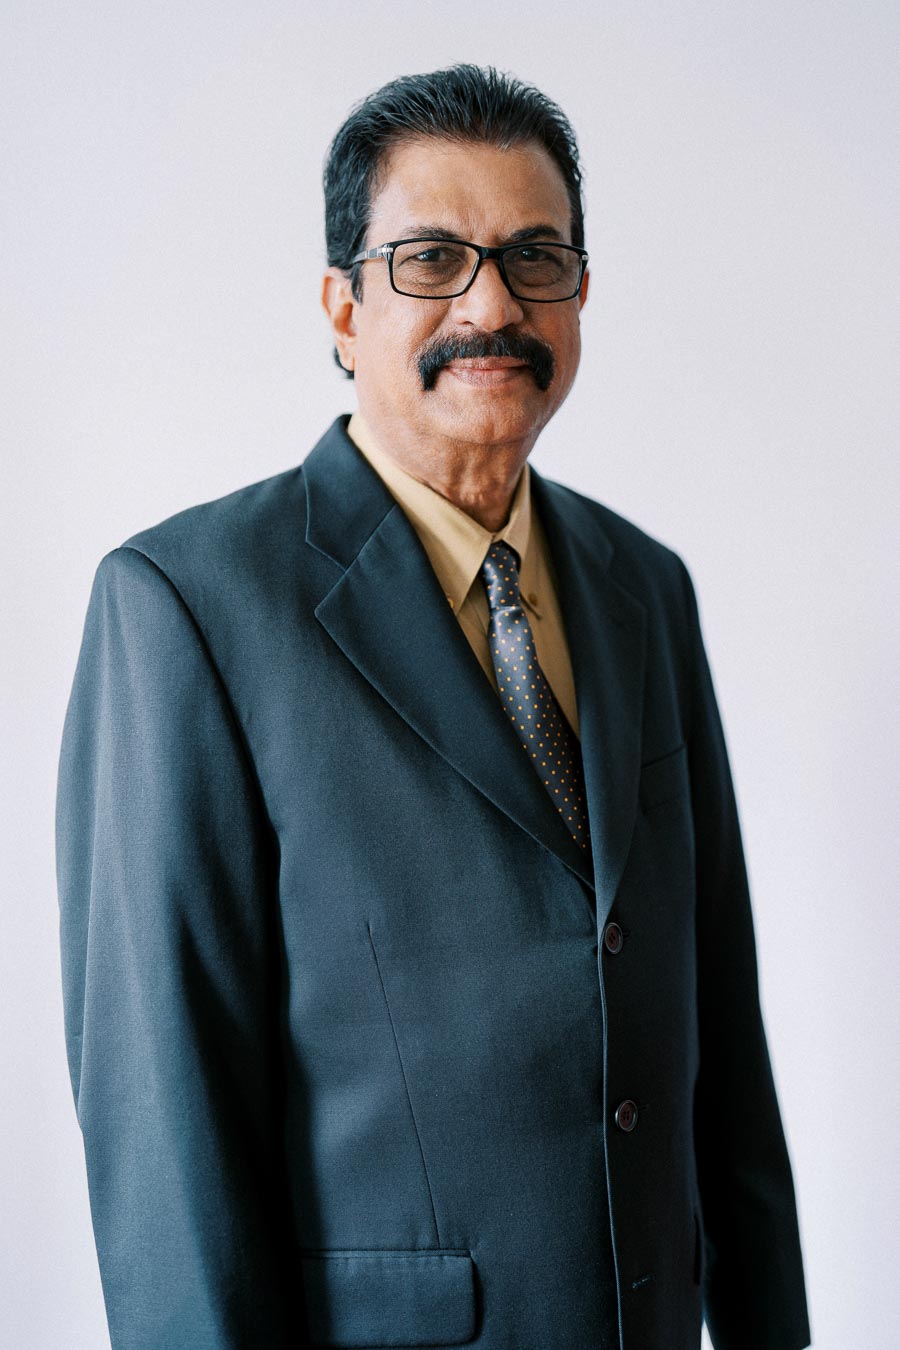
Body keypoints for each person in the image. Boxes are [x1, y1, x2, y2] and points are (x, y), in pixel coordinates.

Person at [56, 64, 811, 1350]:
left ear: (582, 294)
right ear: (343, 307)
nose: (492, 304)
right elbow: (164, 1125)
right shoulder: (185, 606)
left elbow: (721, 1049)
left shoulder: (646, 589)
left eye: (535, 257)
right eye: (431, 260)